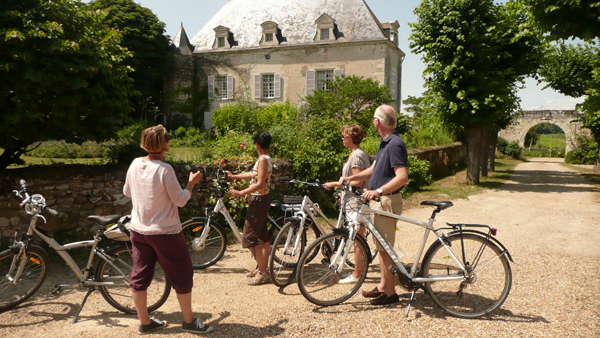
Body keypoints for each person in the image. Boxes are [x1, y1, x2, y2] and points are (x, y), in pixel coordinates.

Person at [123, 125, 214, 335]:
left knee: (140, 275)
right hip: (165, 232)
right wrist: (191, 183)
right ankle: (189, 321)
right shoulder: (165, 169)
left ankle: (145, 322)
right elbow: (180, 201)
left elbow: (127, 191)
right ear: (165, 145)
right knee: (181, 272)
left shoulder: (135, 164)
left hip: (138, 229)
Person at [338, 105, 408, 305]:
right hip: (381, 201)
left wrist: (378, 191)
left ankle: (390, 292)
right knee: (382, 246)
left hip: (386, 200)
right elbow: (373, 170)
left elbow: (402, 177)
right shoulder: (385, 143)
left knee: (386, 248)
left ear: (377, 122)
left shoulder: (394, 144)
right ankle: (383, 287)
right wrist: (349, 178)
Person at [323, 124, 370, 284]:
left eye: (344, 136)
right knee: (357, 237)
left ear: (351, 137)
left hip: (356, 202)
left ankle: (357, 274)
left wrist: (336, 185)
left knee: (357, 238)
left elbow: (358, 181)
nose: (342, 138)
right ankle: (358, 271)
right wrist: (337, 186)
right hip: (352, 201)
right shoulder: (355, 154)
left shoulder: (357, 155)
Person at [225, 131, 273, 285]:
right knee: (263, 238)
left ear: (256, 144)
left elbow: (259, 184)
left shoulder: (263, 160)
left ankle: (263, 273)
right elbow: (252, 174)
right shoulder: (263, 159)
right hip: (261, 199)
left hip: (259, 200)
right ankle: (262, 268)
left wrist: (241, 193)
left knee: (249, 237)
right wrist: (234, 176)